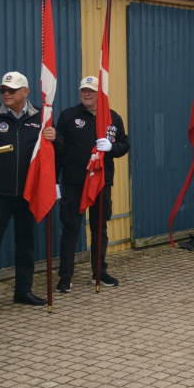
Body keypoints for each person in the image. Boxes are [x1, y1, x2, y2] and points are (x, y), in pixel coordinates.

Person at [0, 72, 51, 316]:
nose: (6, 94)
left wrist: (56, 139)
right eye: (3, 90)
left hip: (27, 193)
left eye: (11, 90)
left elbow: (53, 152)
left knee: (26, 244)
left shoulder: (41, 117)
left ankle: (23, 291)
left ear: (25, 92)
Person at [54, 75, 130, 292]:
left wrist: (112, 148)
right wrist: (54, 181)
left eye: (91, 91)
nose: (86, 94)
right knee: (71, 228)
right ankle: (65, 276)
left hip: (101, 182)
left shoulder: (113, 118)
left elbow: (124, 145)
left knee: (99, 228)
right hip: (74, 182)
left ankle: (99, 272)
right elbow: (58, 150)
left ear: (100, 93)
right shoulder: (68, 116)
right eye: (83, 90)